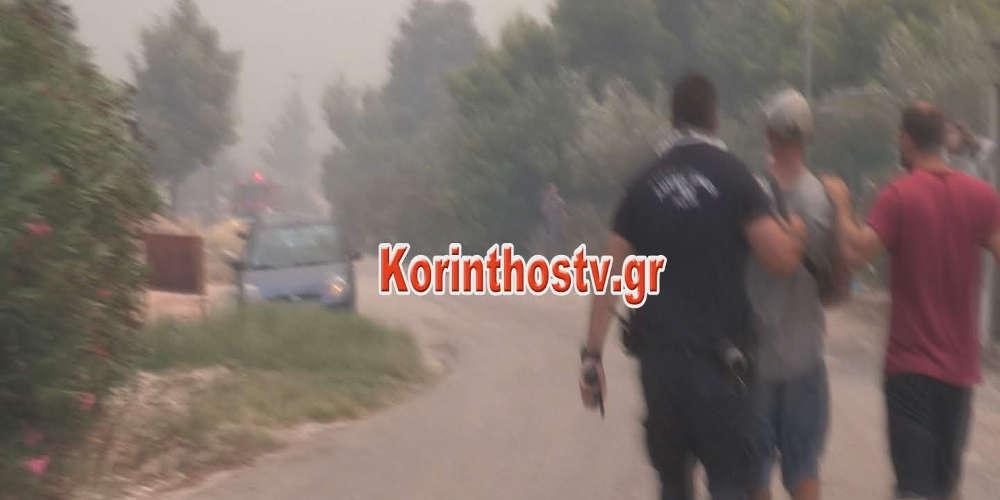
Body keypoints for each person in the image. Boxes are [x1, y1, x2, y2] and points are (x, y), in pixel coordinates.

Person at [578, 74, 807, 500]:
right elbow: (780, 259)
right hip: (723, 370)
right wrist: (795, 233)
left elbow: (607, 275)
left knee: (673, 485)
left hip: (662, 371)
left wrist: (592, 358)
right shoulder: (736, 178)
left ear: (673, 118)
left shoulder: (642, 184)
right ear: (714, 118)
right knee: (731, 484)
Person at [823, 102, 1000, 500]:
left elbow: (854, 252)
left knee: (914, 490)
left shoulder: (899, 194)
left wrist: (841, 203)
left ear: (905, 140)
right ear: (943, 141)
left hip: (911, 371)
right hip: (960, 374)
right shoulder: (981, 197)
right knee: (943, 488)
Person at [746, 90, 835, 500]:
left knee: (755, 470)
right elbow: (834, 284)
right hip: (805, 357)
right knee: (804, 467)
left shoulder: (751, 194)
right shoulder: (824, 198)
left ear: (769, 135)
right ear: (808, 137)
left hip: (756, 358)